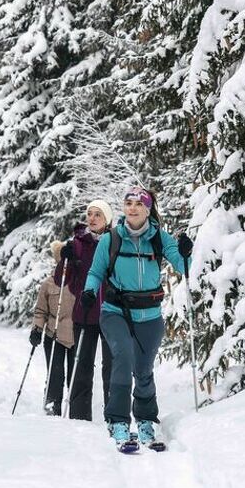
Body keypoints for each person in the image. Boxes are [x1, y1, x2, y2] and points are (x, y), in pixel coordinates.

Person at [81, 187, 193, 448]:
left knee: (143, 369)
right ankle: (118, 420)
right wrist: (88, 291)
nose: (131, 208)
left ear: (147, 208)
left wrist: (187, 251)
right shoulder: (112, 239)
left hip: (150, 314)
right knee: (123, 356)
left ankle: (145, 420)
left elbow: (184, 267)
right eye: (128, 203)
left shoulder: (160, 238)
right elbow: (96, 272)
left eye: (137, 204)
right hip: (115, 311)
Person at [52, 199, 114, 421]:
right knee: (81, 369)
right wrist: (64, 259)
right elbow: (61, 280)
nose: (92, 218)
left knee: (112, 369)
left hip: (111, 314)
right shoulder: (78, 243)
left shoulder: (115, 241)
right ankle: (79, 419)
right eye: (90, 213)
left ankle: (114, 417)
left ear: (107, 218)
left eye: (98, 214)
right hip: (84, 314)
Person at [29, 245, 75, 416]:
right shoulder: (48, 284)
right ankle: (52, 405)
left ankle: (76, 410)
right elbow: (40, 311)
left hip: (75, 336)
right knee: (55, 374)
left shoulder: (79, 281)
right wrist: (36, 330)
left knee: (75, 376)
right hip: (53, 336)